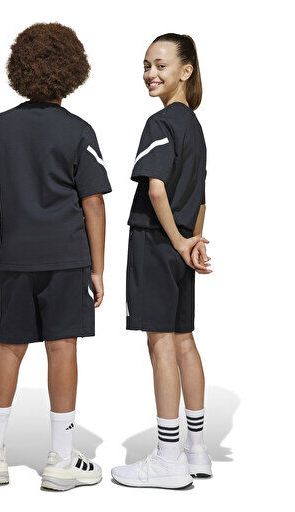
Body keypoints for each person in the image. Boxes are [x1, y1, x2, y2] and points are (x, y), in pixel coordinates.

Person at [0, 23, 110, 491]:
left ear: (21, 68)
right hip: (67, 259)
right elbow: (93, 202)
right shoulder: (79, 130)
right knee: (62, 347)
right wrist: (98, 268)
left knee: (9, 347)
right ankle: (61, 459)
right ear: (72, 70)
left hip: (16, 258)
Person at [111, 33, 213, 489]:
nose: (150, 74)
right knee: (184, 340)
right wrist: (193, 242)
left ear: (185, 71)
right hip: (182, 244)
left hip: (157, 243)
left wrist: (176, 243)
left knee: (162, 345)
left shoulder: (161, 123)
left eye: (160, 65)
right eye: (146, 66)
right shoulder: (195, 126)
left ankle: (168, 457)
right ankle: (197, 450)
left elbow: (155, 190)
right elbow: (201, 197)